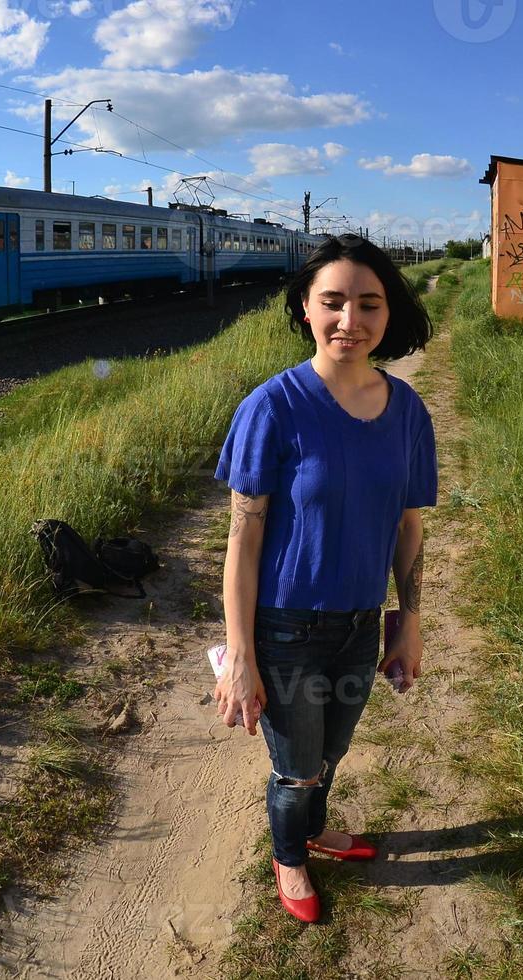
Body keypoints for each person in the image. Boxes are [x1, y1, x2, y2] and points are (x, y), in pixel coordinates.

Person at [212, 234, 437, 923]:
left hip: (357, 624)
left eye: (368, 304)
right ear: (305, 310)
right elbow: (243, 541)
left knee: (331, 751)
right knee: (295, 767)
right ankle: (290, 858)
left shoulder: (407, 412)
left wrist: (408, 623)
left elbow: (408, 526)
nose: (351, 319)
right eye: (332, 302)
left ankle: (310, 830)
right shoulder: (272, 408)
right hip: (285, 629)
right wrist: (241, 655)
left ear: (388, 314)